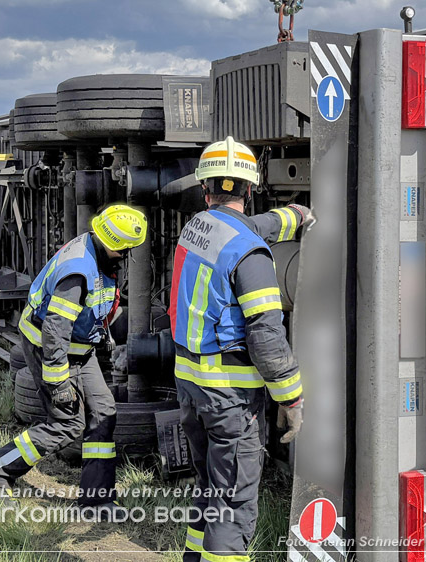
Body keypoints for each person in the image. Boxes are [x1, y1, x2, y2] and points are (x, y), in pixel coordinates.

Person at [170, 136, 309, 561]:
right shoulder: (251, 255)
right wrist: (291, 399)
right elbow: (267, 336)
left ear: (204, 187)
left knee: (211, 487)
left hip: (190, 386)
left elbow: (254, 226)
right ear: (250, 190)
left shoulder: (197, 227)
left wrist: (296, 216)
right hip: (230, 398)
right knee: (232, 505)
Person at [0, 204, 146, 514]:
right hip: (50, 350)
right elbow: (55, 330)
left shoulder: (99, 254)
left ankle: (95, 500)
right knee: (66, 424)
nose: (127, 255)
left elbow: (97, 308)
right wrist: (59, 383)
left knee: (103, 412)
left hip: (79, 349)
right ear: (111, 245)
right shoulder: (78, 272)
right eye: (125, 250)